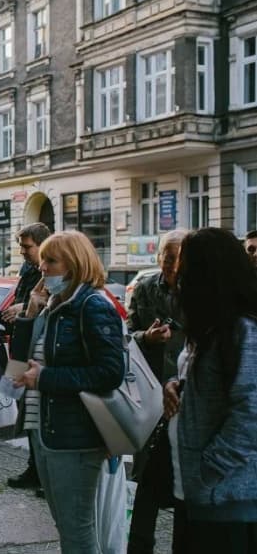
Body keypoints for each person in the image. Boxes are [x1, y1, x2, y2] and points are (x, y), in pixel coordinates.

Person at [13, 230, 125, 554]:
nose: (42, 267)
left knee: (77, 530)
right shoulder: (55, 306)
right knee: (66, 525)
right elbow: (18, 369)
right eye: (43, 259)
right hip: (47, 432)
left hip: (76, 437)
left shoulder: (91, 305)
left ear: (74, 265)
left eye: (51, 260)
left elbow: (110, 372)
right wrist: (30, 313)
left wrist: (46, 378)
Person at [172, 228, 257, 553]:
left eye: (185, 265)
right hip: (201, 495)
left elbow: (250, 414)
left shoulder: (241, 330)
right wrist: (179, 387)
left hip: (227, 500)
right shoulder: (214, 327)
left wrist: (210, 467)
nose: (179, 275)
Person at [127, 229, 188, 554]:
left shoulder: (199, 290)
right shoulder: (146, 287)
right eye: (167, 255)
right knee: (144, 476)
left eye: (177, 256)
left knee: (182, 479)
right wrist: (145, 338)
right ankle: (139, 546)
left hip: (185, 397)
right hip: (150, 394)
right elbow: (128, 332)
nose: (171, 263)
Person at [2, 222, 50, 492]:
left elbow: (43, 303)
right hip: (21, 345)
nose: (22, 251)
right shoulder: (27, 270)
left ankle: (44, 472)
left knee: (38, 412)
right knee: (24, 409)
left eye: (27, 246)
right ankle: (34, 468)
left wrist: (25, 307)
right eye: (21, 245)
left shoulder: (53, 271)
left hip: (36, 352)